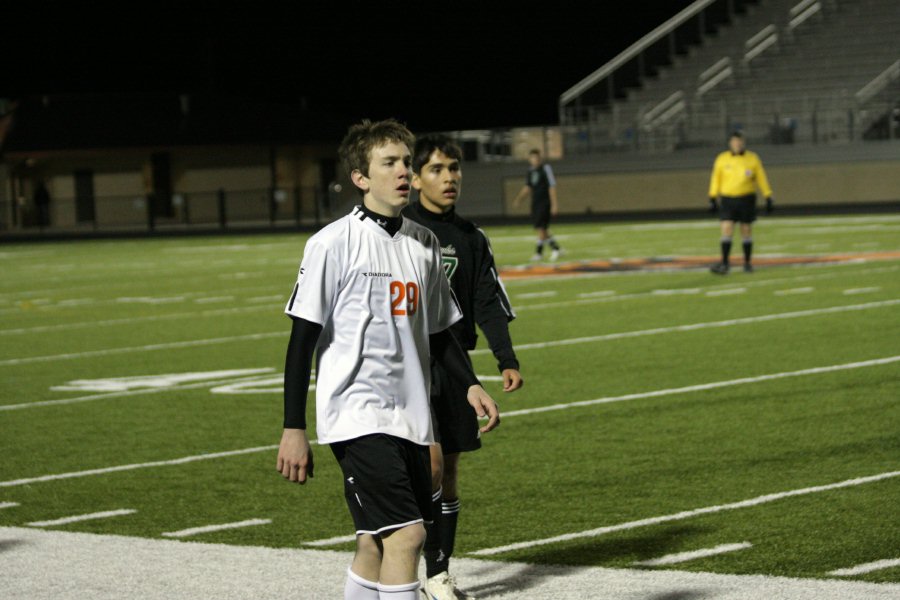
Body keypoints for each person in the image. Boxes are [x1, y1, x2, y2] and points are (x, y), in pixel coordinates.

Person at [276, 119, 500, 600]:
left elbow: (440, 333)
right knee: (410, 536)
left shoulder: (423, 244)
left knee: (375, 544)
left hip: (412, 416)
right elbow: (301, 342)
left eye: (405, 161)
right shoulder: (332, 244)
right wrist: (293, 427)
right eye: (390, 163)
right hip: (358, 414)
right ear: (361, 177)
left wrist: (470, 383)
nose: (404, 171)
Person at [405, 135, 523, 600]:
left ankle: (437, 573)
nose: (449, 177)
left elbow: (487, 301)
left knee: (448, 471)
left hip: (455, 368)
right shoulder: (401, 230)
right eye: (436, 169)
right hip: (409, 366)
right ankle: (402, 560)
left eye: (454, 168)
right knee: (429, 466)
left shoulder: (472, 238)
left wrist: (505, 358)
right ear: (414, 179)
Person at [707, 131, 774, 274]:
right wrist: (712, 197)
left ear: (743, 143)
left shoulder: (752, 158)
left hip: (746, 199)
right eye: (734, 142)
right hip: (728, 199)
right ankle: (725, 263)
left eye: (739, 141)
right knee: (726, 228)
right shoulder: (722, 159)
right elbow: (715, 178)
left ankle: (747, 263)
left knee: (746, 230)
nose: (737, 144)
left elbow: (761, 177)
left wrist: (768, 195)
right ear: (730, 143)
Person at [513, 148, 563, 262]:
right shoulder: (530, 171)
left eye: (537, 157)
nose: (535, 159)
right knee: (542, 229)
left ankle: (540, 252)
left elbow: (552, 186)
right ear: (530, 159)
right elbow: (528, 187)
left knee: (541, 228)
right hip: (535, 203)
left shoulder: (545, 169)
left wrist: (554, 204)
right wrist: (519, 199)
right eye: (533, 157)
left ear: (540, 158)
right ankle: (556, 249)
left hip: (545, 203)